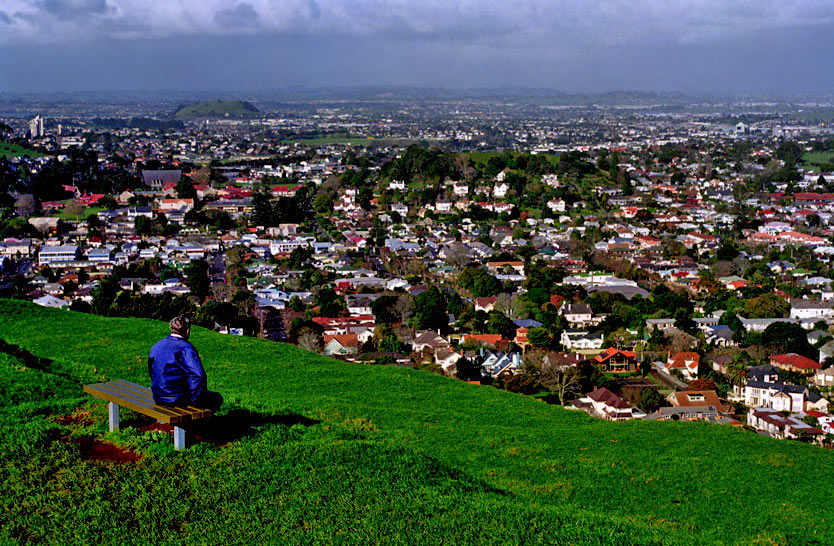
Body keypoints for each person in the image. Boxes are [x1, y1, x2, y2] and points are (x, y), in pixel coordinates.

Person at [148, 316, 223, 411]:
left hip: (158, 395)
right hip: (178, 399)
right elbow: (198, 376)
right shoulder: (186, 348)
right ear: (187, 330)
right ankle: (198, 424)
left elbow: (152, 370)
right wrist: (194, 399)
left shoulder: (157, 345)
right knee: (217, 397)